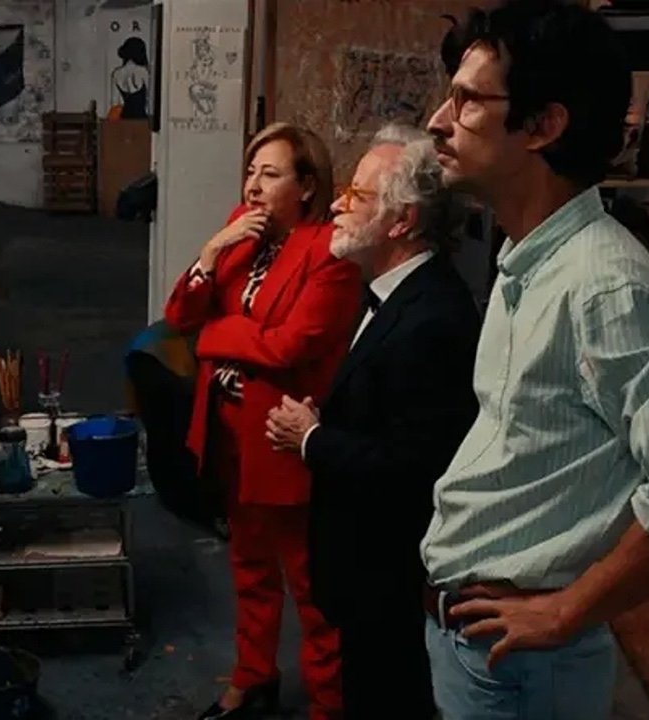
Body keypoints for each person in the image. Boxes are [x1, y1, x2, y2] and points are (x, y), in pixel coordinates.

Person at [420, 1, 649, 717]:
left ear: (544, 126)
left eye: (468, 100)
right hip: (484, 643)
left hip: (522, 661)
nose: (438, 120)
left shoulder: (604, 287)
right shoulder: (528, 259)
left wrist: (565, 611)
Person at [265, 123, 481, 719]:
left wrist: (311, 439)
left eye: (357, 195)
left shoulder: (433, 319)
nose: (338, 205)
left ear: (402, 220)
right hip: (366, 571)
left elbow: (417, 467)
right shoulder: (390, 292)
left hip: (392, 577)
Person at [163, 121, 361, 720]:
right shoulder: (241, 230)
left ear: (307, 186)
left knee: (311, 585)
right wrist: (211, 252)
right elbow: (180, 316)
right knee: (249, 567)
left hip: (282, 438)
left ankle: (328, 704)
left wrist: (214, 337)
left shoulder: (329, 250)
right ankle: (253, 677)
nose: (252, 185)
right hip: (228, 428)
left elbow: (288, 347)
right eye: (250, 171)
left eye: (269, 174)